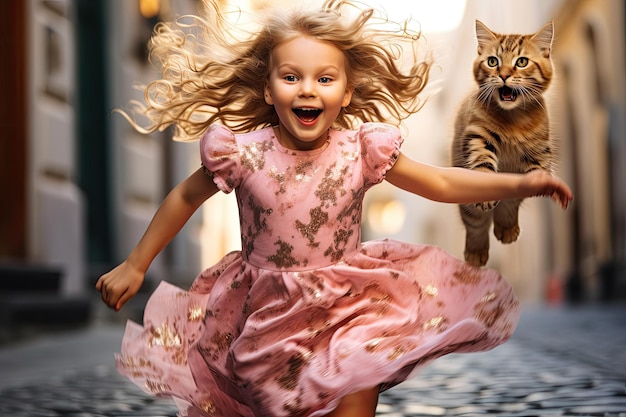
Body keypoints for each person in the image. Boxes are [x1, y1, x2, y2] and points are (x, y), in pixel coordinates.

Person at [97, 1, 573, 416]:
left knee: (358, 378)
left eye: (324, 79)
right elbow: (184, 196)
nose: (308, 89)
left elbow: (441, 181)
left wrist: (523, 182)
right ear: (268, 89)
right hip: (265, 315)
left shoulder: (361, 149)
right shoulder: (240, 153)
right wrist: (136, 264)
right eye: (291, 77)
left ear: (345, 94)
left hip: (350, 303)